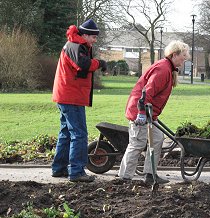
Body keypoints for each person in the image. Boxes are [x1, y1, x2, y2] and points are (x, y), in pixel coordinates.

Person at [118, 40, 190, 184]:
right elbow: (147, 92)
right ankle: (124, 178)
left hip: (150, 112)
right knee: (137, 143)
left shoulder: (168, 68)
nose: (184, 59)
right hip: (141, 111)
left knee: (157, 139)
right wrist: (142, 112)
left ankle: (150, 175)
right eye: (183, 56)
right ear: (174, 55)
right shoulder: (163, 69)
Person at [51, 19, 107, 182]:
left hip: (66, 95)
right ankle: (76, 172)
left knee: (66, 133)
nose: (95, 40)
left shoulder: (74, 44)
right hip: (71, 97)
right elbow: (83, 64)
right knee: (79, 134)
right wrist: (100, 63)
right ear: (85, 35)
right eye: (93, 37)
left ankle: (59, 168)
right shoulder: (75, 45)